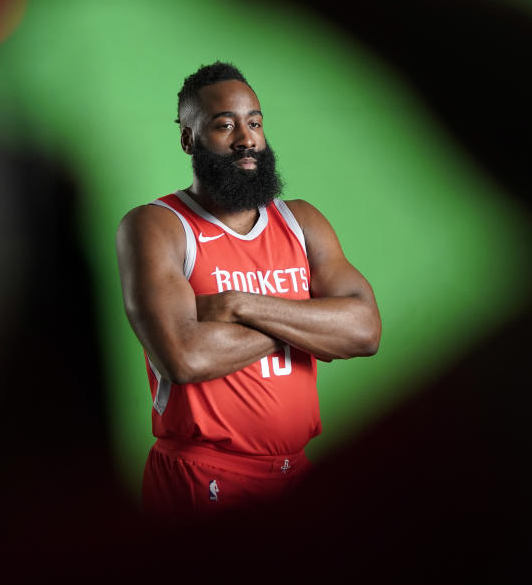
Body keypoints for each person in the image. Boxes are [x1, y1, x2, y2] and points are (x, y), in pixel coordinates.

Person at [115, 61, 381, 517]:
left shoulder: (301, 222)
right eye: (224, 125)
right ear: (188, 140)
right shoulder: (159, 226)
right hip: (202, 475)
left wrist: (236, 306)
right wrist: (307, 323)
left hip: (294, 472)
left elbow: (364, 331)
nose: (246, 138)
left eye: (254, 122)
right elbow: (185, 356)